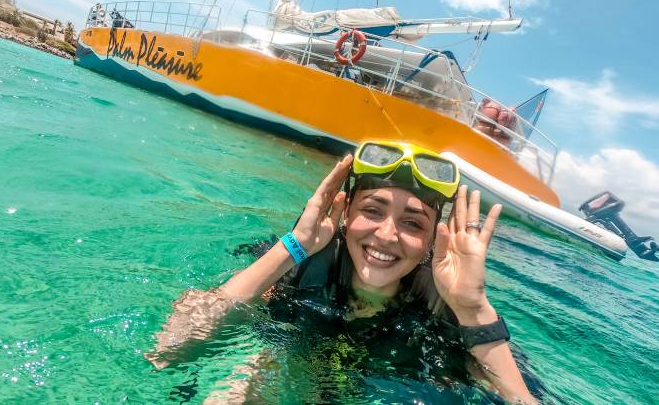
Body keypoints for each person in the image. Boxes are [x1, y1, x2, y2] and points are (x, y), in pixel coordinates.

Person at [146, 140, 537, 404]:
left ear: (433, 242)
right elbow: (168, 350)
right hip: (287, 351)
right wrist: (293, 245)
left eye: (413, 224)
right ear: (346, 212)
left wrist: (474, 310)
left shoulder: (447, 311)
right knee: (251, 371)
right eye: (372, 210)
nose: (387, 235)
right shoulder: (297, 265)